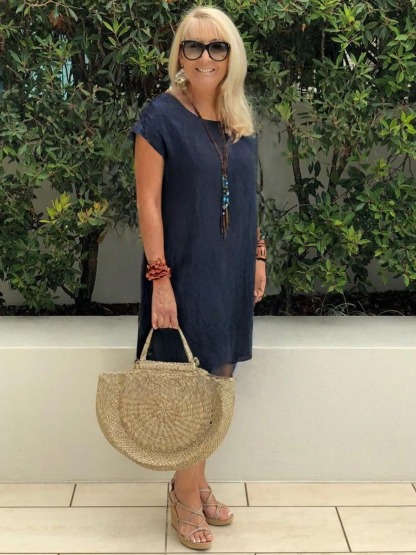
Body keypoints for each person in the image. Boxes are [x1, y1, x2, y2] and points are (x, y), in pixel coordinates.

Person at [130, 5, 266, 550]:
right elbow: (148, 202)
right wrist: (160, 280)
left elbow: (250, 196)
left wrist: (257, 255)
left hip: (230, 269)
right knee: (192, 383)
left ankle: (196, 479)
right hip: (182, 269)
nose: (205, 57)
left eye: (217, 47)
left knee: (220, 376)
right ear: (179, 55)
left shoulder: (237, 115)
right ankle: (183, 495)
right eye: (193, 46)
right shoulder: (160, 116)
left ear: (232, 55)